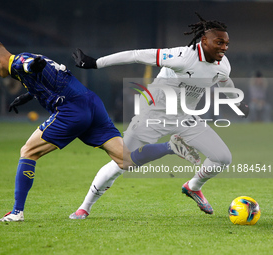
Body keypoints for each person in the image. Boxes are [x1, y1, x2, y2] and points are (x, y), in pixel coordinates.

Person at [0, 40, 195, 221]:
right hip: (91, 104)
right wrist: (25, 97)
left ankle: (16, 212)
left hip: (72, 109)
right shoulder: (22, 65)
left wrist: (32, 66)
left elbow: (33, 64)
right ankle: (170, 146)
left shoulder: (19, 62)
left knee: (28, 152)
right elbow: (43, 76)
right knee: (125, 160)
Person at [69, 13, 249, 218]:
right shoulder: (182, 56)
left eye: (226, 43)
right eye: (219, 42)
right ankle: (85, 207)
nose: (224, 47)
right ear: (204, 40)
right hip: (154, 116)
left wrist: (236, 101)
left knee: (222, 158)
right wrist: (96, 63)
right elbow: (136, 55)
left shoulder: (223, 64)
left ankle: (192, 187)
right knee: (123, 163)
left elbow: (225, 81)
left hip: (185, 118)